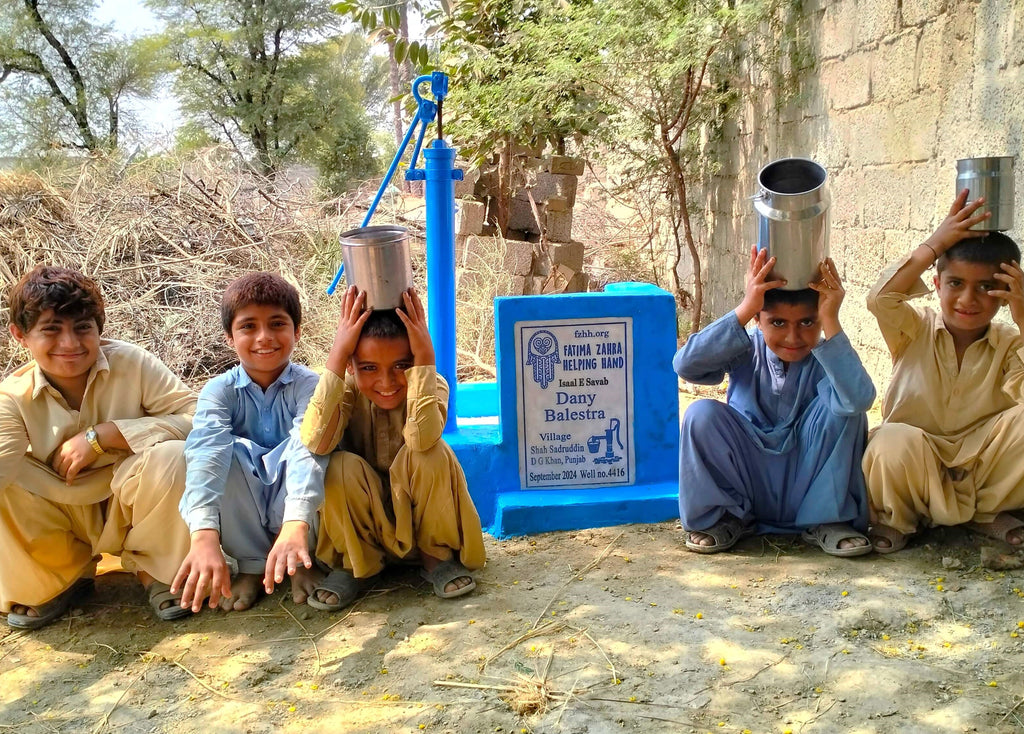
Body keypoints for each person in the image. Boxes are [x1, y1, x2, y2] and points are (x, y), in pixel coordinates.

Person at [0, 265, 195, 629]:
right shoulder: (11, 398)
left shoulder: (133, 363)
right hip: (63, 506)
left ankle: (157, 570)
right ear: (20, 336)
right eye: (51, 330)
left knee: (176, 455)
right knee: (8, 483)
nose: (71, 344)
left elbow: (200, 418)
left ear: (99, 329)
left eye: (82, 328)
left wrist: (104, 436)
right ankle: (59, 579)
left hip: (132, 496)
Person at [674, 246, 874, 556]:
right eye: (778, 323)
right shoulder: (743, 348)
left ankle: (828, 520)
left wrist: (831, 319)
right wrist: (743, 308)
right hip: (750, 483)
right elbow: (685, 366)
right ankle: (725, 517)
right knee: (701, 414)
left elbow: (860, 399)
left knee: (845, 406)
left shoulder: (829, 358)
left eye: (807, 323)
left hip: (807, 483)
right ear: (757, 319)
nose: (793, 338)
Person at [300, 285, 485, 610]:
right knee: (336, 465)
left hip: (418, 528)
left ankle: (435, 558)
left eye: (401, 366)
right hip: (365, 527)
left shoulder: (432, 384)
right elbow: (316, 440)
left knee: (431, 453)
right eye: (369, 368)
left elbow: (422, 437)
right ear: (352, 366)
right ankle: (356, 566)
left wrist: (425, 359)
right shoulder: (347, 390)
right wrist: (336, 357)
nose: (386, 383)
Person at [863, 190, 1024, 552]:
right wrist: (936, 243)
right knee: (889, 442)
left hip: (984, 466)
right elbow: (879, 299)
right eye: (956, 284)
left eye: (987, 287)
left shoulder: (1012, 343)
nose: (969, 299)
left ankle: (986, 514)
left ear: (1007, 291)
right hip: (918, 459)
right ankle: (899, 519)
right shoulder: (914, 327)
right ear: (936, 285)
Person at [172, 273, 328, 612]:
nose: (264, 338)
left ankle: (301, 561)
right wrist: (203, 534)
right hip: (247, 501)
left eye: (277, 324)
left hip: (297, 511)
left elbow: (307, 449)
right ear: (229, 337)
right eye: (248, 327)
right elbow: (206, 455)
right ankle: (254, 565)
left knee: (317, 449)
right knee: (223, 455)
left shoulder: (310, 385)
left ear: (297, 332)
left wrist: (296, 521)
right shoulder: (219, 391)